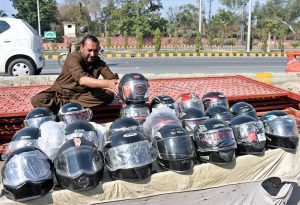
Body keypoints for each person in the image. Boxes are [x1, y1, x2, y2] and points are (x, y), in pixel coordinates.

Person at [31, 35, 119, 113]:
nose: (92, 54)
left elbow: (112, 79)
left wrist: (117, 83)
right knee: (38, 100)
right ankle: (71, 105)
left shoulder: (99, 62)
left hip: (82, 95)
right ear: (81, 48)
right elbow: (82, 80)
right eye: (90, 50)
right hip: (60, 93)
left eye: (95, 51)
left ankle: (70, 106)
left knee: (109, 95)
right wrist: (107, 84)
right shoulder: (73, 57)